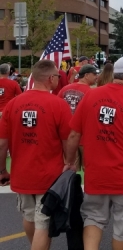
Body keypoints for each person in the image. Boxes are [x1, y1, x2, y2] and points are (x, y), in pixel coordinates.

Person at [63, 55, 123, 250]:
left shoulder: (91, 95)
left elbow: (73, 135)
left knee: (93, 219)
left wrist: (70, 161)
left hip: (95, 175)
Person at [0, 60, 72, 250]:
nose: (58, 78)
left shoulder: (13, 104)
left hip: (21, 172)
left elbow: (1, 144)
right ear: (50, 78)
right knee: (43, 222)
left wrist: (2, 170)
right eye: (57, 76)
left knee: (29, 216)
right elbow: (68, 139)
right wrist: (70, 161)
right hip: (48, 175)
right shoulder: (58, 104)